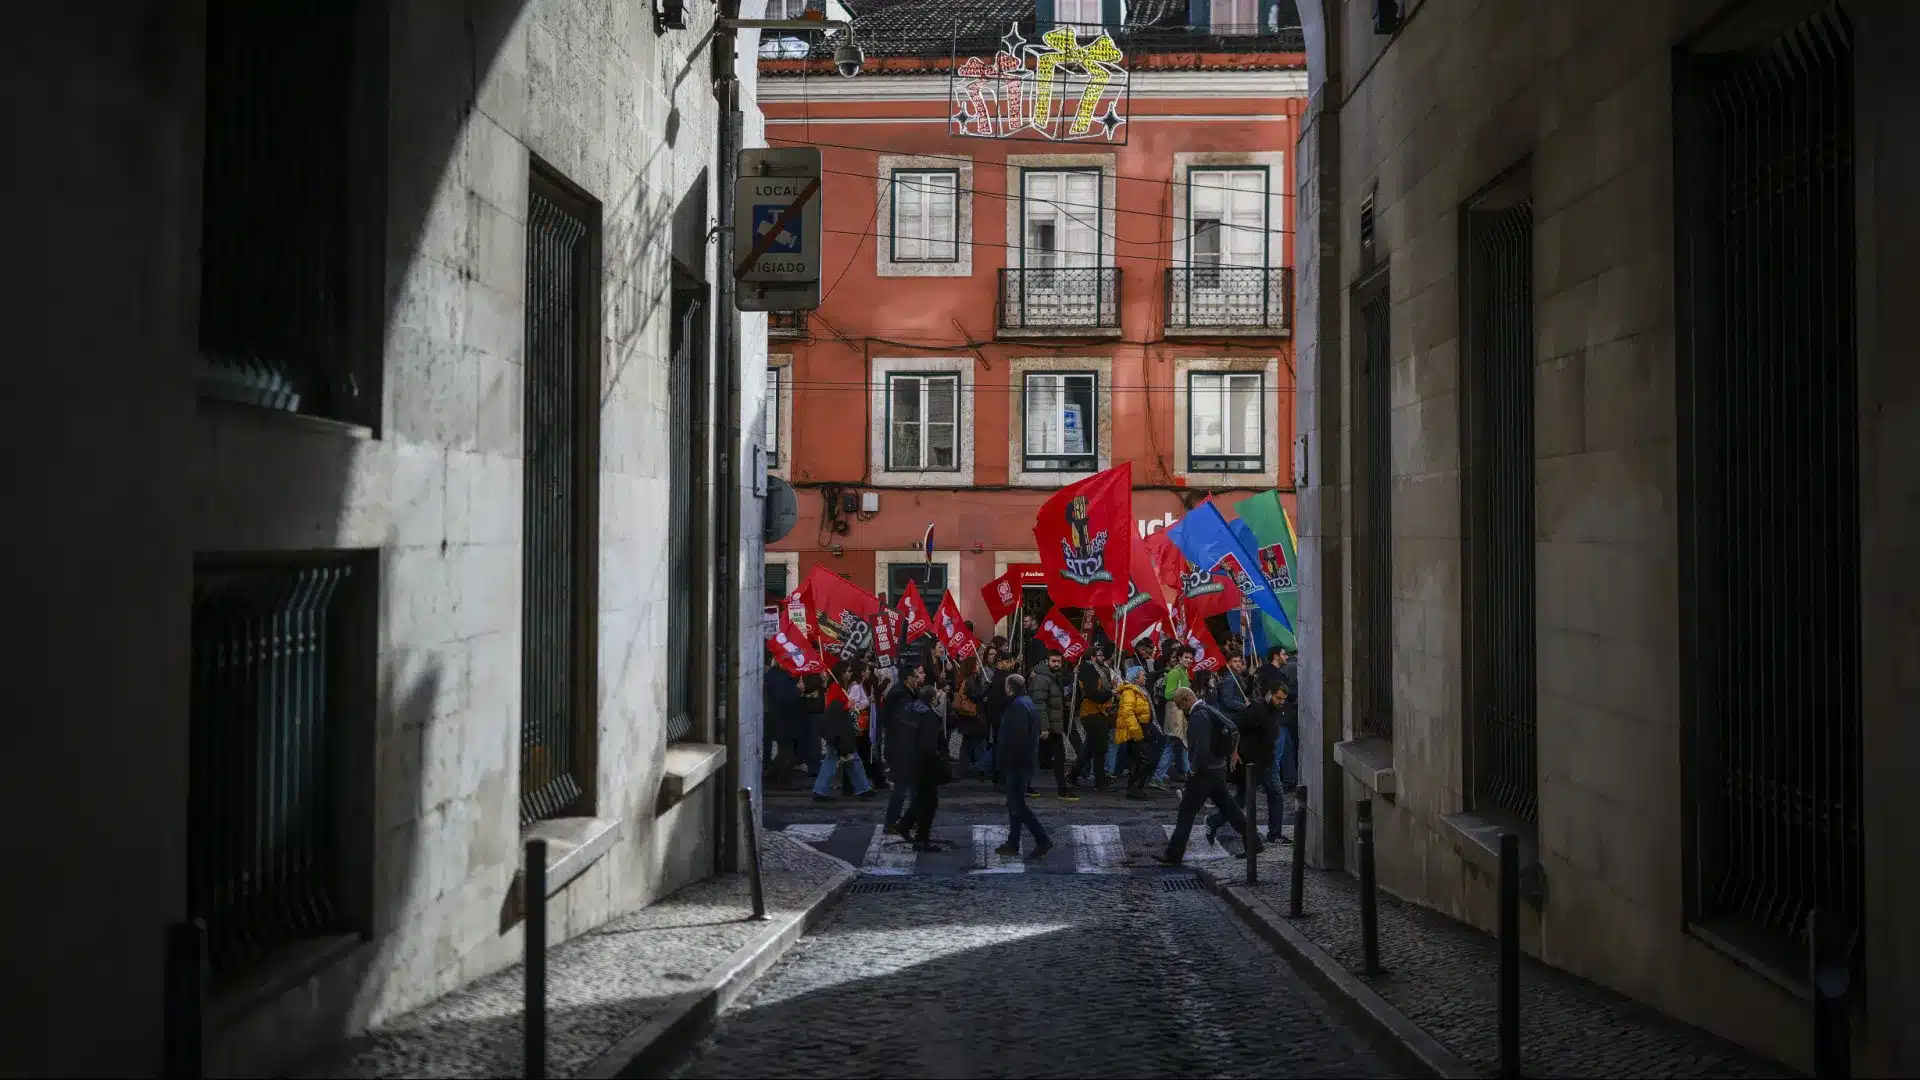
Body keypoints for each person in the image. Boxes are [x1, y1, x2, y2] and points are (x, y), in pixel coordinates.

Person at [1158, 687, 1260, 864]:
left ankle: (1173, 855)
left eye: (1180, 706)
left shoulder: (1198, 716)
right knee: (1231, 809)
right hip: (1217, 770)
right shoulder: (1210, 709)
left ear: (1187, 699)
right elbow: (1233, 728)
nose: (1182, 711)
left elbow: (1201, 747)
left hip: (1203, 773)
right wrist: (1231, 754)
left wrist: (1193, 769)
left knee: (1186, 812)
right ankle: (1254, 842)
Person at [1208, 670, 1290, 846]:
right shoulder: (1256, 709)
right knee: (1242, 801)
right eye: (1278, 698)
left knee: (1276, 794)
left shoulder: (1275, 710)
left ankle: (1275, 833)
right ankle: (1214, 821)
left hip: (1269, 759)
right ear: (1269, 694)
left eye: (1283, 699)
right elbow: (1234, 727)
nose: (1281, 702)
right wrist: (1234, 752)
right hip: (1252, 761)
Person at [995, 674, 1054, 859]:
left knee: (1018, 805)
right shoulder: (1026, 702)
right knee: (1014, 803)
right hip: (1021, 762)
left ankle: (1042, 839)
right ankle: (1013, 842)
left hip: (1017, 763)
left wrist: (1007, 761)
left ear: (1010, 687)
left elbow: (1017, 739)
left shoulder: (1018, 706)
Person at [894, 686, 950, 850]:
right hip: (926, 764)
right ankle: (921, 838)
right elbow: (929, 744)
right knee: (929, 802)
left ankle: (906, 824)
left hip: (910, 760)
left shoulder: (909, 710)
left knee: (922, 799)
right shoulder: (929, 715)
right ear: (932, 699)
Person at [813, 666, 876, 801]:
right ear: (841, 673)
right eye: (847, 671)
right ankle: (819, 791)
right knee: (834, 760)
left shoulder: (839, 686)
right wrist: (847, 706)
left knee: (852, 760)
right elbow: (833, 709)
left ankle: (863, 788)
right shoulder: (836, 687)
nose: (850, 673)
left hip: (841, 731)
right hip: (837, 732)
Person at [881, 665, 926, 833]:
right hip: (902, 749)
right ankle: (891, 822)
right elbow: (903, 722)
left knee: (914, 788)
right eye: (915, 676)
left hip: (906, 748)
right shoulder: (901, 696)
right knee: (901, 788)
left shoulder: (904, 693)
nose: (917, 679)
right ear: (908, 678)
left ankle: (912, 819)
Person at [1030, 651, 1076, 799]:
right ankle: (1061, 789)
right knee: (1048, 758)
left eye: (1058, 662)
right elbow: (1039, 704)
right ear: (1047, 661)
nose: (1056, 664)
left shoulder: (1055, 678)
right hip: (1048, 727)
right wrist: (1044, 727)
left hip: (1054, 726)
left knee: (1054, 758)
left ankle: (1062, 789)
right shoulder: (1043, 679)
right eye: (1053, 661)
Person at [1072, 649, 1117, 791]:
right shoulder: (1088, 670)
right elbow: (1094, 694)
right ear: (1092, 657)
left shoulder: (1095, 670)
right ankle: (1100, 783)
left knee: (1090, 749)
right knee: (1100, 750)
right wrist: (1111, 692)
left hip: (1098, 713)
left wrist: (1110, 687)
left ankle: (1072, 776)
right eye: (1099, 655)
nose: (1103, 657)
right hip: (1093, 713)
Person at [1153, 648, 1195, 786]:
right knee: (1178, 744)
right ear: (1179, 658)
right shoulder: (1175, 673)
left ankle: (1161, 776)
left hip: (1180, 712)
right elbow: (1168, 694)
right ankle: (1189, 774)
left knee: (1177, 745)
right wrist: (1183, 694)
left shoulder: (1184, 672)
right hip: (1175, 712)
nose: (1188, 660)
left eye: (1191, 658)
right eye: (1186, 657)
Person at [1114, 665, 1156, 800]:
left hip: (1143, 727)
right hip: (1138, 729)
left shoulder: (1139, 690)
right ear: (1136, 678)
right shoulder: (1130, 692)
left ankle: (1135, 788)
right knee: (1140, 760)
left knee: (1139, 760)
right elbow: (1128, 712)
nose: (1145, 677)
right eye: (1143, 675)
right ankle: (1135, 788)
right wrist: (1136, 732)